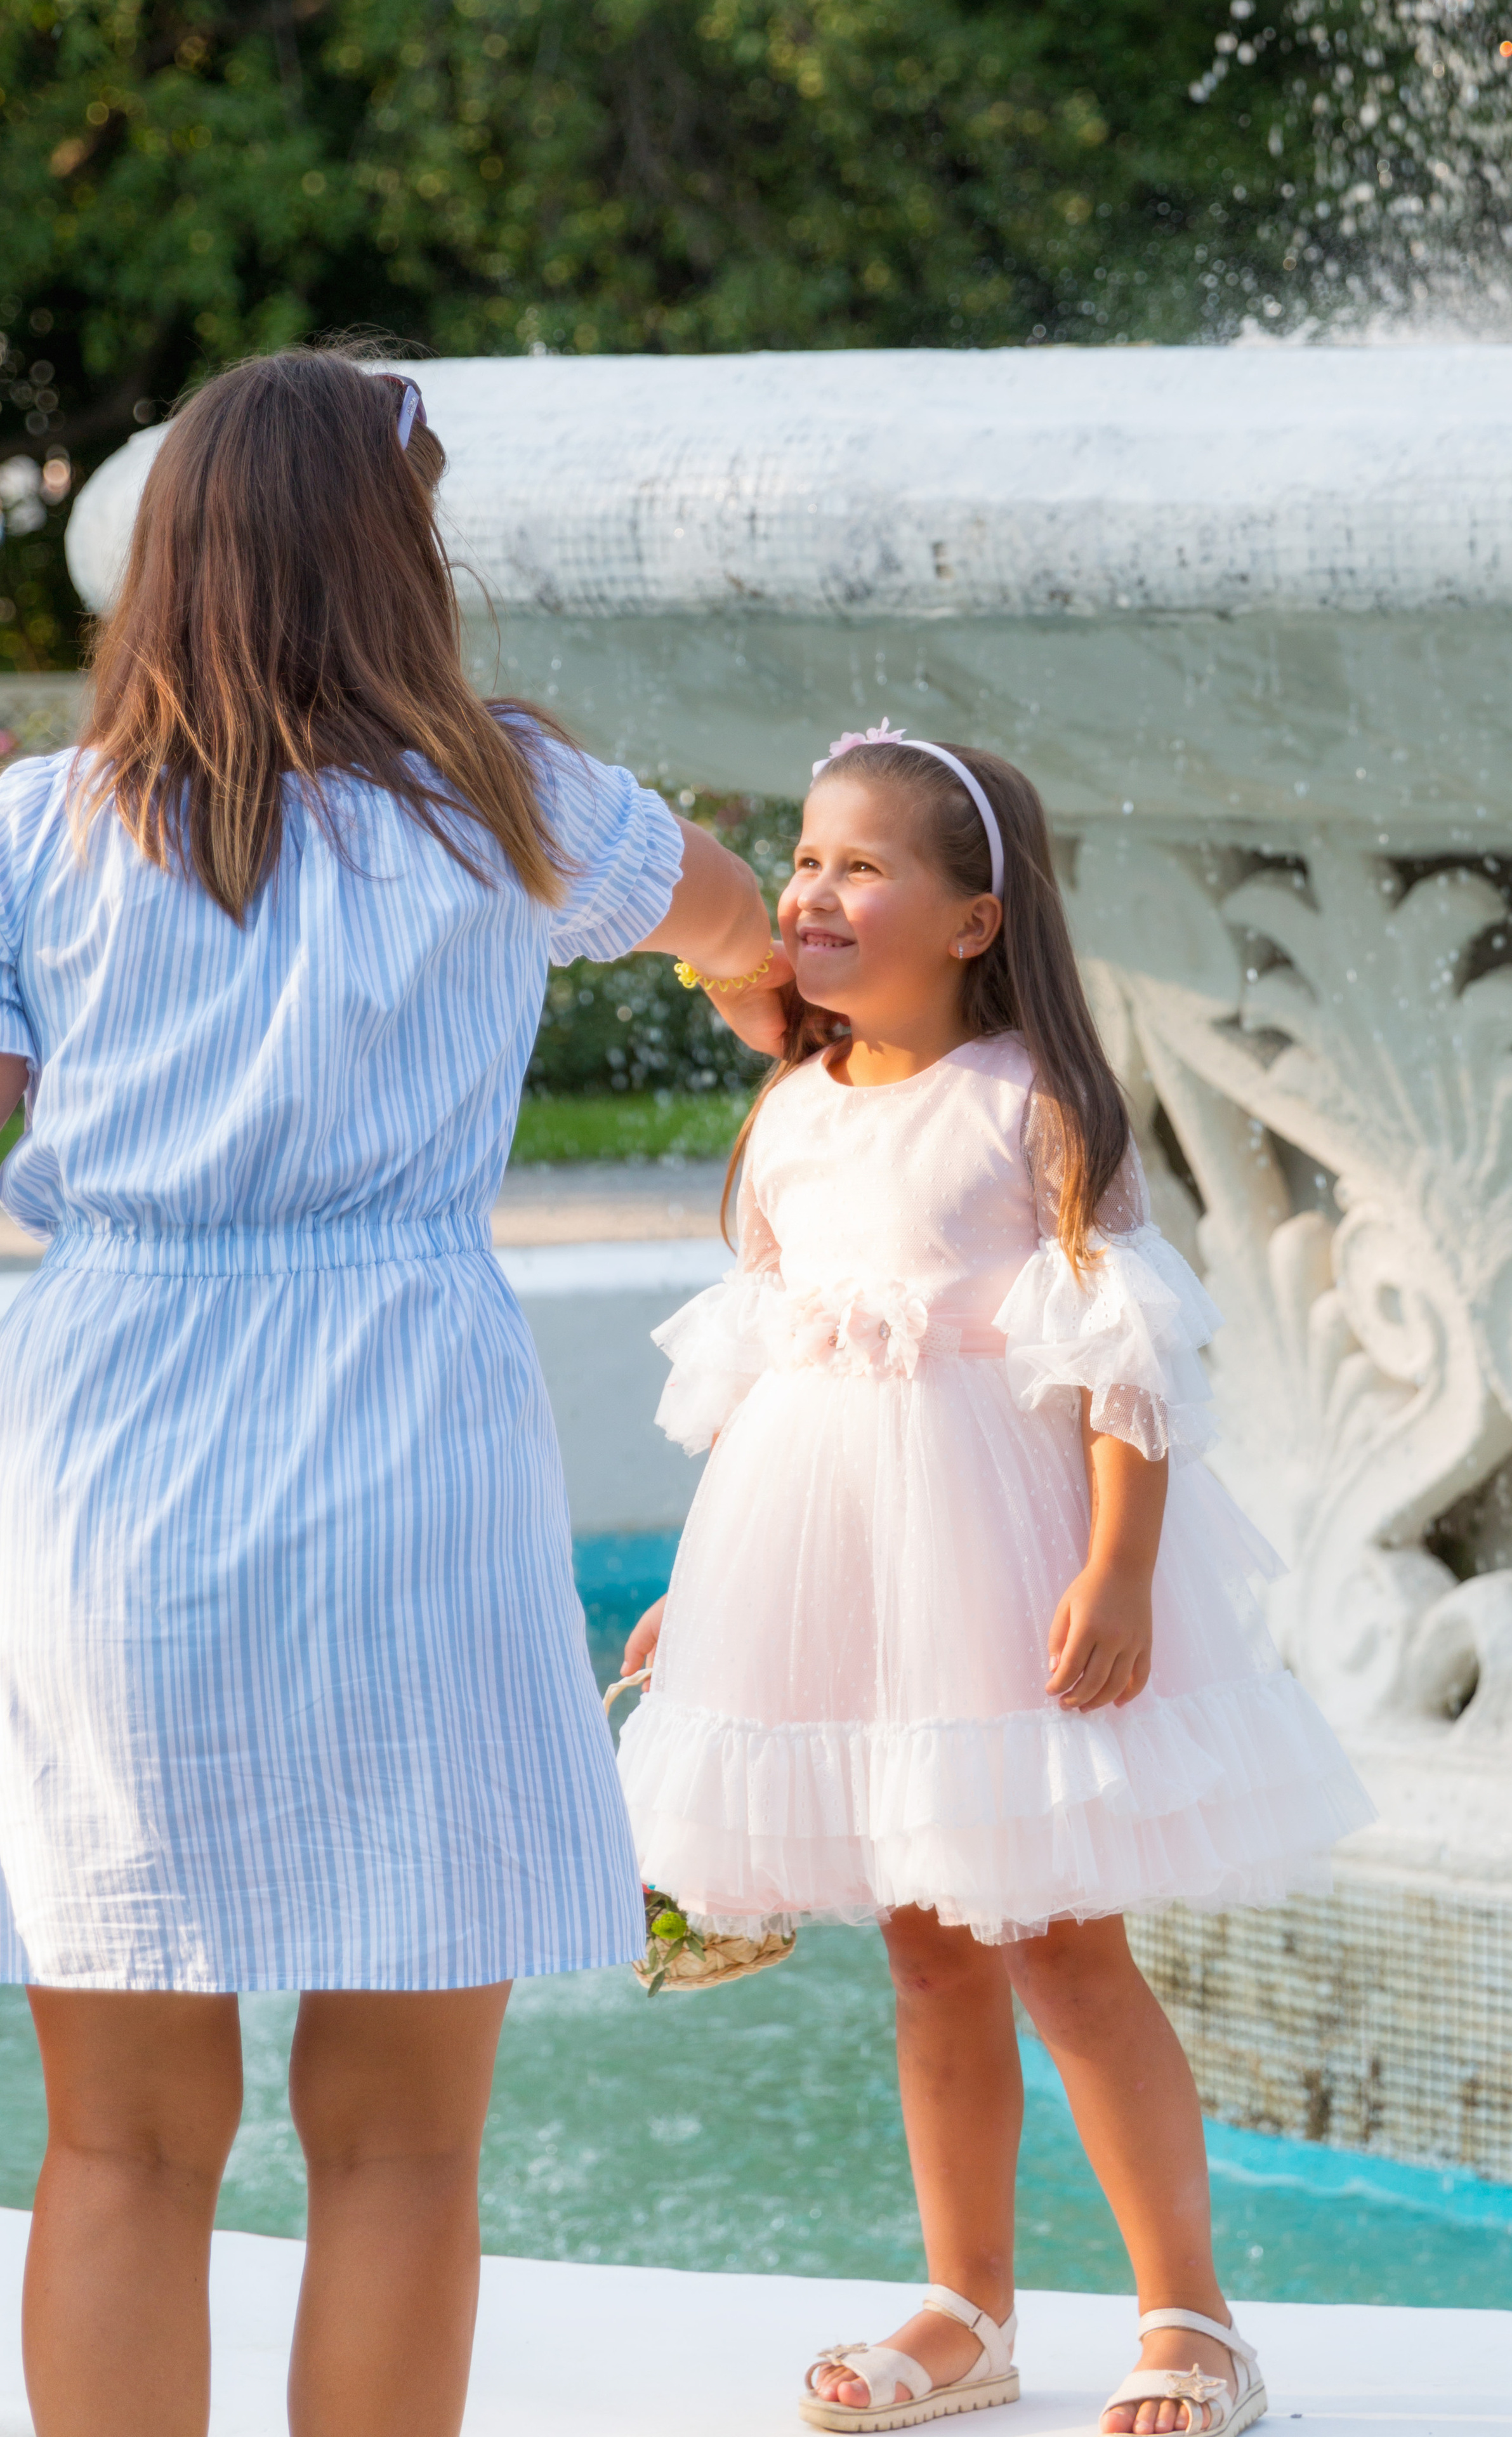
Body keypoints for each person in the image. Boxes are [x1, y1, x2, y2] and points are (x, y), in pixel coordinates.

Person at [0, 348, 787, 2437]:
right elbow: (734, 929)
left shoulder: (37, 832)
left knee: (122, 2144)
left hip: (106, 1460)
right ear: (394, 555)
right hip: (403, 1453)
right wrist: (759, 1010)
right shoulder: (512, 800)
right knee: (404, 2144)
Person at [617, 725, 1374, 2436]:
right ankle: (970, 2304)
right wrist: (701, 1590)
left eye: (861, 865)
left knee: (1064, 1953)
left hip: (998, 1573)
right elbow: (762, 1383)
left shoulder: (1028, 1105)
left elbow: (1127, 1355)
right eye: (804, 858)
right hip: (831, 1588)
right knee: (928, 1960)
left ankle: (1193, 2317)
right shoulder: (793, 1114)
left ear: (972, 920)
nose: (812, 890)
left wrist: (1119, 1568)